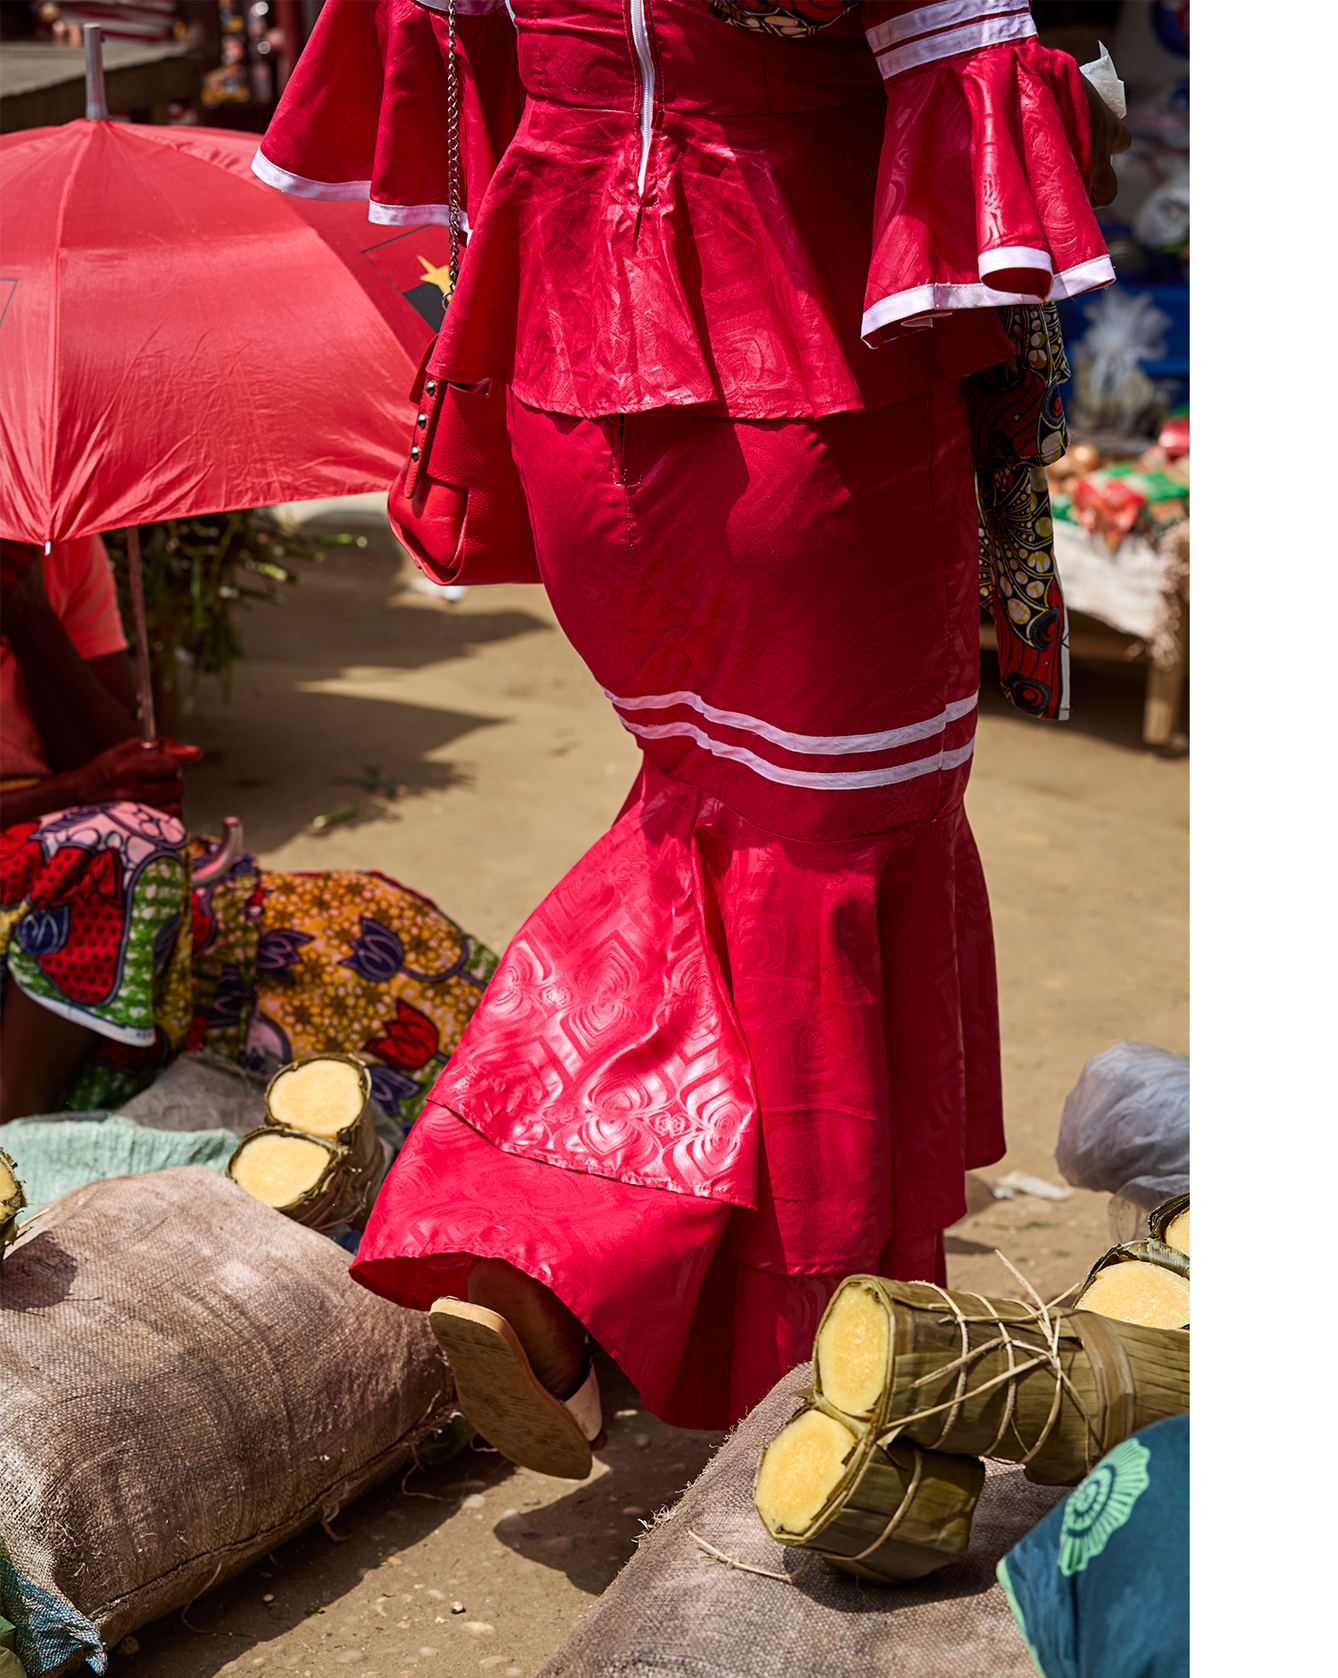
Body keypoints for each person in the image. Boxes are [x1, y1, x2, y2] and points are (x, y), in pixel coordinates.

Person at [254, 0, 1129, 1474]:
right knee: (835, 850)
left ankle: (571, 1271)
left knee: (709, 810)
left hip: (582, 389)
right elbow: (1002, 121)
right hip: (809, 386)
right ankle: (815, 1370)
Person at [0, 535, 497, 1126]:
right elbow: (101, 794)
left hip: (78, 842)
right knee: (121, 844)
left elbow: (113, 759)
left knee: (365, 926)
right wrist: (81, 791)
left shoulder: (62, 555)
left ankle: (503, 1100)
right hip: (76, 844)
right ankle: (19, 1117)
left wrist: (32, 623)